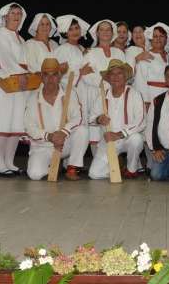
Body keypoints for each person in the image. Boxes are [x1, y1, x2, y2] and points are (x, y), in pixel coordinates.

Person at [23, 58, 89, 181]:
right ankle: (55, 166)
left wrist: (63, 132)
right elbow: (29, 126)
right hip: (44, 146)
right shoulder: (32, 97)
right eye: (46, 75)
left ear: (59, 76)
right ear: (41, 77)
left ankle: (72, 167)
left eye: (54, 74)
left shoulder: (70, 93)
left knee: (82, 131)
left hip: (66, 143)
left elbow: (78, 117)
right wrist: (49, 136)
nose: (50, 79)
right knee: (35, 174)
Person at [87, 59, 146, 180]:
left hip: (127, 137)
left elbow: (141, 122)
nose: (116, 77)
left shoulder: (135, 94)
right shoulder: (102, 96)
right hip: (109, 140)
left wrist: (119, 134)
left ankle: (131, 169)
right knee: (94, 174)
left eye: (119, 73)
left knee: (137, 139)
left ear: (125, 76)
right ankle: (118, 165)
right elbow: (91, 119)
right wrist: (99, 119)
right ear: (108, 78)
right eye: (112, 74)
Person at [0, 3, 30, 177]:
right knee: (3, 122)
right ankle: (0, 164)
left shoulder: (21, 39)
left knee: (15, 123)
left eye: (19, 13)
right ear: (5, 16)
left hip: (20, 83)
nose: (16, 16)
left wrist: (29, 75)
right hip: (5, 81)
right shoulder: (0, 34)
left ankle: (10, 162)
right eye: (13, 13)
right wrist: (21, 73)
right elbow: (5, 57)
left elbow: (26, 61)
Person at [53, 14, 91, 176]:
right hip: (69, 94)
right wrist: (80, 72)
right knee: (70, 124)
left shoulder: (82, 49)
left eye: (76, 28)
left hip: (83, 92)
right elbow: (58, 75)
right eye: (71, 29)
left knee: (82, 126)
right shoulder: (61, 50)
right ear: (65, 32)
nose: (75, 31)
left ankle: (71, 163)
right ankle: (64, 163)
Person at [83, 19, 124, 147]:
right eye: (102, 29)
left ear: (113, 33)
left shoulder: (119, 53)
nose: (105, 32)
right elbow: (86, 76)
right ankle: (98, 157)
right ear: (97, 33)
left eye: (108, 30)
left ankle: (115, 158)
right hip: (96, 94)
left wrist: (105, 78)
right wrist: (110, 81)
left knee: (115, 127)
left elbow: (125, 74)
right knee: (96, 132)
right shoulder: (90, 53)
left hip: (117, 96)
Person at [133, 23, 169, 109]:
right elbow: (140, 82)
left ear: (166, 39)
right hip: (152, 99)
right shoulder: (145, 56)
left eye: (161, 36)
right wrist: (145, 102)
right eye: (155, 36)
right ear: (151, 39)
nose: (158, 39)